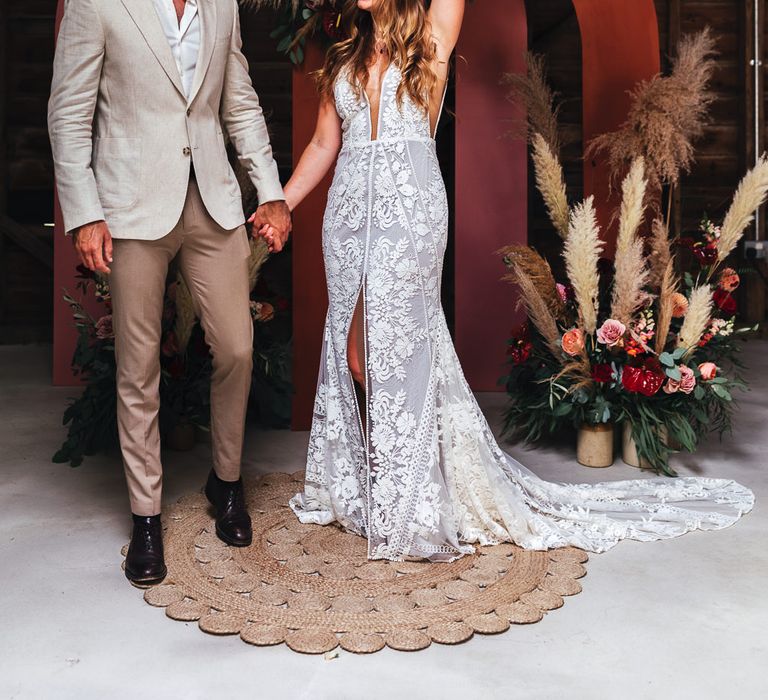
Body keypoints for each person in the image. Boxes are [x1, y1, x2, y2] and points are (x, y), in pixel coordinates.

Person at [258, 0, 753, 563]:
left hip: (409, 213)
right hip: (347, 220)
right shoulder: (344, 54)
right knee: (354, 355)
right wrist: (283, 204)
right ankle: (389, 485)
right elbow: (325, 144)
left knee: (395, 352)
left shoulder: (431, 42)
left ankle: (411, 503)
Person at [48, 0, 291, 585]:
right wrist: (83, 214)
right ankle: (146, 517)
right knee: (138, 367)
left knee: (235, 347)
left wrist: (270, 190)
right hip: (131, 206)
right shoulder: (95, 4)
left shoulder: (221, 5)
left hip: (213, 202)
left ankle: (226, 481)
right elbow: (68, 114)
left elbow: (240, 102)